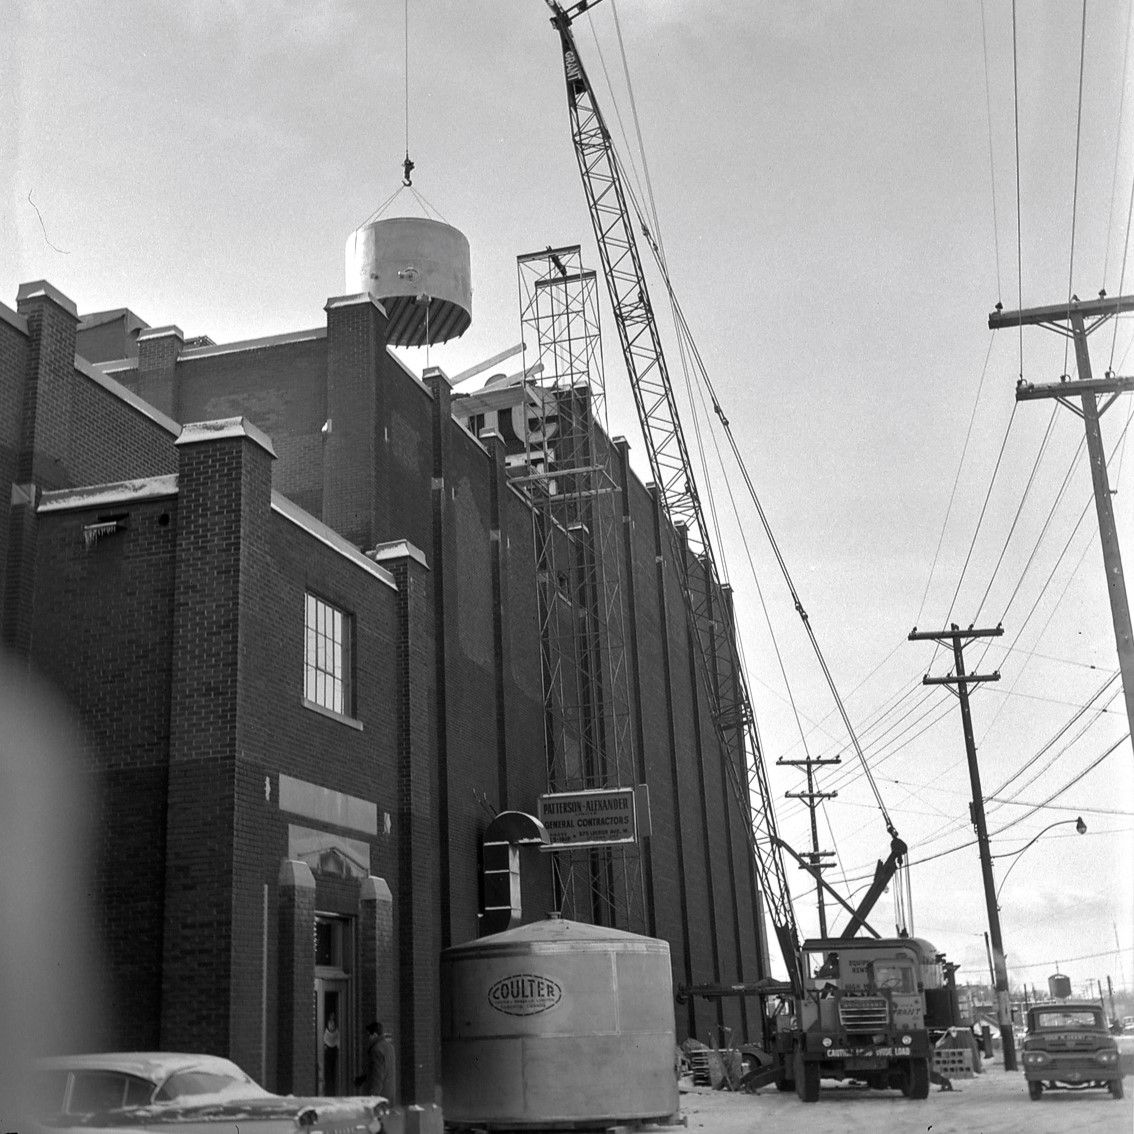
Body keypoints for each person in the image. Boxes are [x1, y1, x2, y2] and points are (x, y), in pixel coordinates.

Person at [355, 1020, 396, 1102]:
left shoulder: (376, 1049)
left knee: (377, 1114)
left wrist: (374, 1095)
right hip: (389, 1092)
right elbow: (383, 1069)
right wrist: (363, 1079)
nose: (368, 1038)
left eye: (368, 1035)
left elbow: (378, 1073)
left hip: (380, 1095)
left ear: (374, 1035)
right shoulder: (390, 1047)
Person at [322, 1012, 339, 1095]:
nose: (331, 1025)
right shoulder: (325, 1036)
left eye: (333, 1023)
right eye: (330, 1023)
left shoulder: (337, 1035)